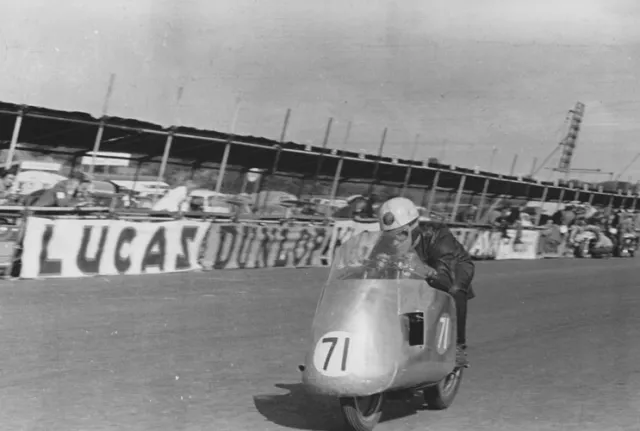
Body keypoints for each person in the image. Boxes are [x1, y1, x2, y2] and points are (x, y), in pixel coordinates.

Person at [376, 197, 475, 368]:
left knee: (455, 287)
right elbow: (368, 268)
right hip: (417, 274)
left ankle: (458, 346)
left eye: (400, 233)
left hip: (451, 266)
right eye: (389, 235)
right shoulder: (386, 242)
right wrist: (371, 265)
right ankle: (404, 345)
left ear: (414, 226)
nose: (394, 241)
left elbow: (447, 271)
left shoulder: (437, 236)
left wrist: (423, 269)